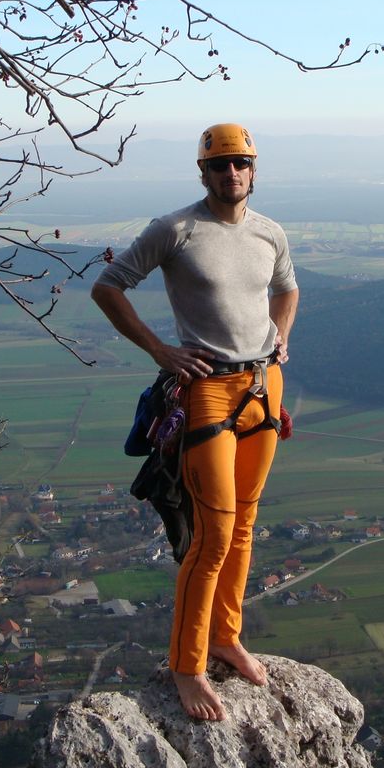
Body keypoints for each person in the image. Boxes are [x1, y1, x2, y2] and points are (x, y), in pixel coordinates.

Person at [91, 124, 299, 720]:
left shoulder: (269, 233)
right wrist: (161, 351)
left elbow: (287, 290)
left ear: (254, 170)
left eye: (240, 163)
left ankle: (226, 637)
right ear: (202, 172)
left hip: (263, 386)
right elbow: (108, 287)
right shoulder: (175, 230)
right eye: (219, 164)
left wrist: (281, 337)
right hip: (207, 391)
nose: (231, 173)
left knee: (245, 525)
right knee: (211, 536)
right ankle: (188, 666)